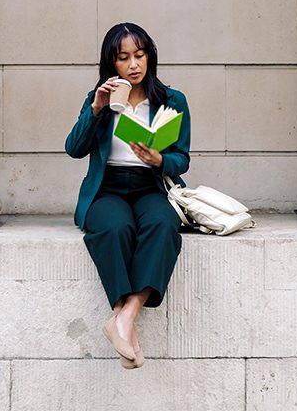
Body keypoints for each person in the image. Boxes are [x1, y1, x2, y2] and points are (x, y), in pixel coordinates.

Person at [64, 22, 191, 370]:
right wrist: (96, 109)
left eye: (139, 55)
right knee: (115, 227)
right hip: (108, 188)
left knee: (162, 224)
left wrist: (160, 159)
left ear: (149, 56)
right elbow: (74, 149)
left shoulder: (172, 99)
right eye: (123, 58)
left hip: (150, 184)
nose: (133, 64)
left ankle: (122, 319)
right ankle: (125, 325)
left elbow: (183, 157)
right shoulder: (100, 98)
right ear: (112, 63)